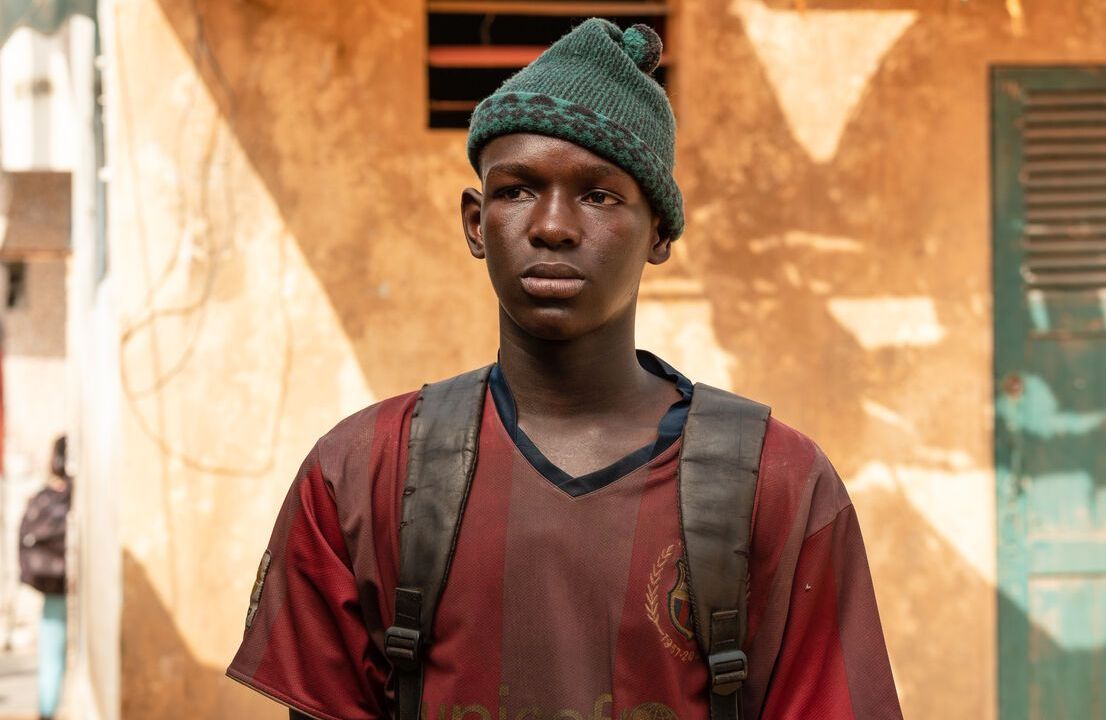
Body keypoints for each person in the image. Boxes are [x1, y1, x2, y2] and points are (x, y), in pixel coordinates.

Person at [227, 19, 902, 720]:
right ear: (474, 222)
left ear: (660, 232)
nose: (552, 225)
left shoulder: (777, 484)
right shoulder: (362, 472)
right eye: (517, 190)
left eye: (599, 195)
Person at [18, 435, 70, 720]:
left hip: (52, 588)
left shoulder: (43, 497)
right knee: (54, 652)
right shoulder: (72, 498)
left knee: (50, 653)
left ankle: (47, 712)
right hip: (63, 587)